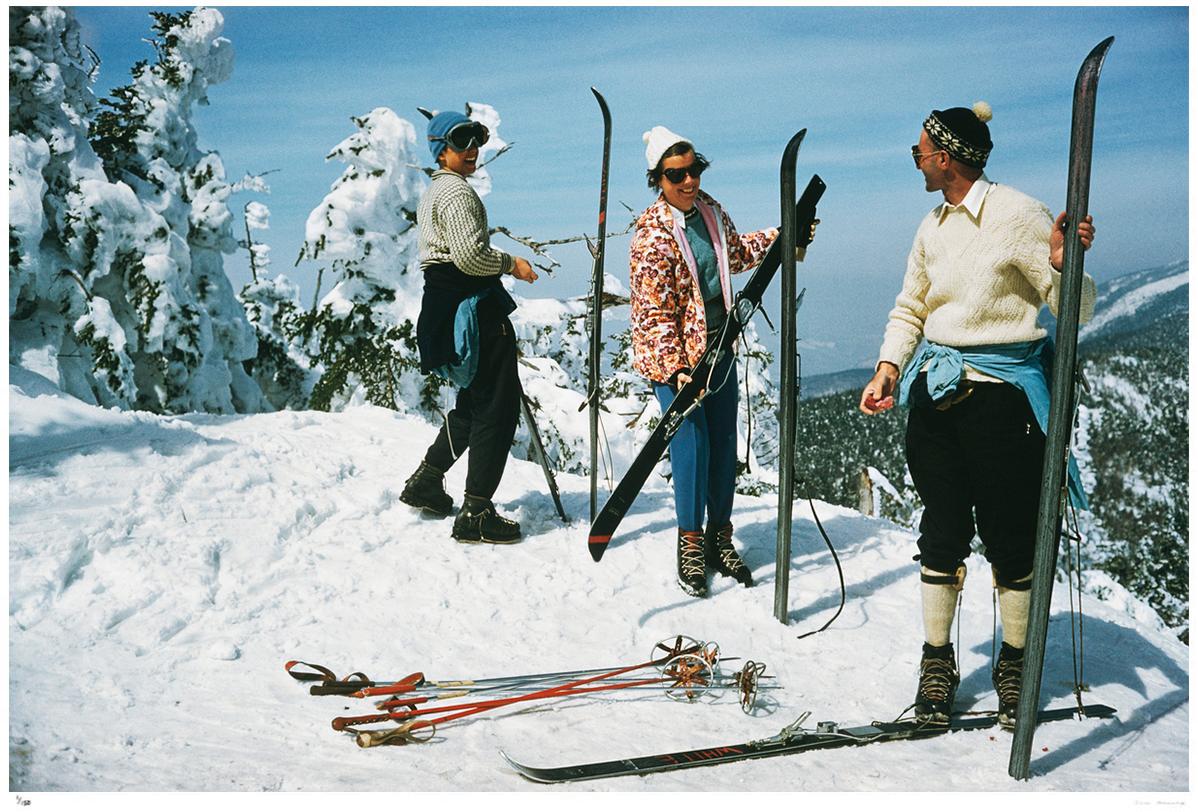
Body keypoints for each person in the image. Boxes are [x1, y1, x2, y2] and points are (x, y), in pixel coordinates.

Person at [858, 102, 1096, 728]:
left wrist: (1066, 261)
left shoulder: (1017, 214)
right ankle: (937, 661)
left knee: (1010, 536)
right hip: (935, 397)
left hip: (1001, 400)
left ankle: (1013, 663)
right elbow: (912, 305)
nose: (917, 162)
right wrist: (888, 367)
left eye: (919, 154)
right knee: (941, 530)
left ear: (946, 156)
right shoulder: (932, 225)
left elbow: (1073, 309)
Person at [628, 126, 782, 598]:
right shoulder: (651, 236)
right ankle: (690, 541)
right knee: (691, 445)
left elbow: (733, 254)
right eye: (678, 174)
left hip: (719, 344)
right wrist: (678, 367)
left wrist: (782, 235)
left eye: (695, 169)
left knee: (721, 442)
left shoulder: (710, 212)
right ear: (659, 178)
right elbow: (653, 312)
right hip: (676, 358)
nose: (689, 181)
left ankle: (720, 535)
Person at [399, 109, 538, 543]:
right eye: (462, 140)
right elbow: (470, 257)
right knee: (496, 409)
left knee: (474, 404)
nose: (473, 148)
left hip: (446, 309)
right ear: (442, 150)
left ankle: (427, 479)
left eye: (477, 139)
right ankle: (476, 512)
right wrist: (511, 264)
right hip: (473, 312)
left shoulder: (434, 192)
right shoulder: (456, 194)